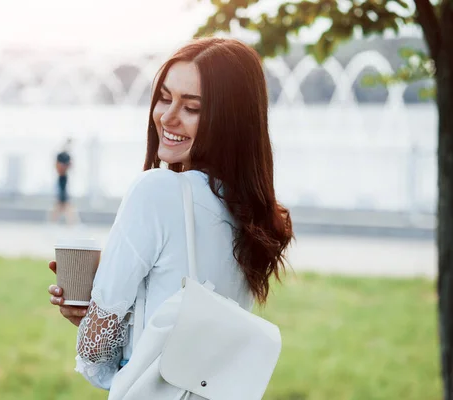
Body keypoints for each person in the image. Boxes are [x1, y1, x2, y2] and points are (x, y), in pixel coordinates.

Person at [47, 38, 293, 392]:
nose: (167, 116)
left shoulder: (157, 191)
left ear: (229, 120)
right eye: (164, 97)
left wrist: (95, 310)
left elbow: (96, 354)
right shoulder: (255, 215)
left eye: (191, 107)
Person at [49, 138, 80, 225]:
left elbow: (70, 167)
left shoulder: (66, 156)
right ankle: (70, 223)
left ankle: (67, 222)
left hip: (64, 179)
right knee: (63, 204)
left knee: (62, 204)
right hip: (61, 179)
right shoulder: (61, 156)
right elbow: (58, 167)